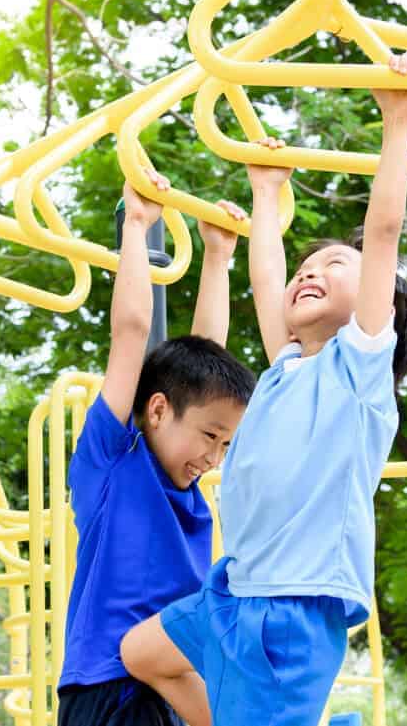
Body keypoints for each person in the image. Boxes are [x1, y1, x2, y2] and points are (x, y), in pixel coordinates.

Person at [120, 51, 407, 726]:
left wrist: (398, 123)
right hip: (233, 592)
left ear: (371, 303)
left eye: (334, 265)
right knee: (140, 651)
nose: (310, 271)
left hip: (292, 608)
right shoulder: (285, 367)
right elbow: (267, 279)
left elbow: (382, 232)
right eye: (308, 264)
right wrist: (266, 190)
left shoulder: (357, 369)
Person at [57, 169, 258, 726]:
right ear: (159, 410)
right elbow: (131, 331)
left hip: (172, 685)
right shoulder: (112, 463)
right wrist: (138, 223)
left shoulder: (189, 493)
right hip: (106, 686)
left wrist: (218, 258)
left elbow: (207, 357)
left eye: (225, 444)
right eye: (210, 438)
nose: (214, 457)